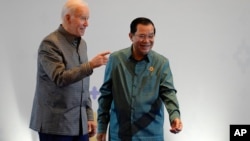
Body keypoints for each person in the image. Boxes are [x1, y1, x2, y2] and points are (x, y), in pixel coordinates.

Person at [29, 0, 110, 141]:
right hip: (55, 126)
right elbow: (60, 77)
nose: (87, 24)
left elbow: (83, 85)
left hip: (79, 124)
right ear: (68, 18)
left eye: (88, 19)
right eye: (83, 18)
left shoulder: (82, 44)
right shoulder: (50, 44)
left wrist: (89, 116)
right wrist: (90, 65)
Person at [96, 17, 182, 141]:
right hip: (120, 134)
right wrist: (102, 127)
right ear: (131, 36)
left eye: (151, 36)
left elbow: (168, 93)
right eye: (141, 36)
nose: (146, 41)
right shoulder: (116, 60)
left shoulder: (161, 63)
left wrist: (175, 116)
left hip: (151, 134)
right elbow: (106, 96)